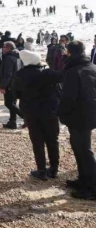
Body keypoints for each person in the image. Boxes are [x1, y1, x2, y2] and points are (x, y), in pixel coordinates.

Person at [12, 49, 62, 180]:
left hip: (31, 112)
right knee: (52, 140)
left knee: (37, 141)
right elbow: (62, 80)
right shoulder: (48, 73)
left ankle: (41, 170)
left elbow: (15, 94)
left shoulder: (20, 74)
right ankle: (54, 169)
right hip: (50, 111)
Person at [59, 41, 96, 199]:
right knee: (79, 148)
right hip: (88, 114)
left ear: (70, 53)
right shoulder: (92, 67)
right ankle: (83, 180)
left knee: (84, 151)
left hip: (79, 116)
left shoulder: (73, 71)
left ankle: (92, 188)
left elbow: (68, 98)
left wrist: (60, 113)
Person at [0, 41, 24, 129]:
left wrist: (3, 86)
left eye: (5, 47)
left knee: (8, 103)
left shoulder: (9, 58)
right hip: (17, 83)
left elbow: (8, 74)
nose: (3, 48)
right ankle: (12, 122)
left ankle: (25, 117)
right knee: (12, 103)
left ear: (9, 48)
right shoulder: (18, 56)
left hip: (10, 84)